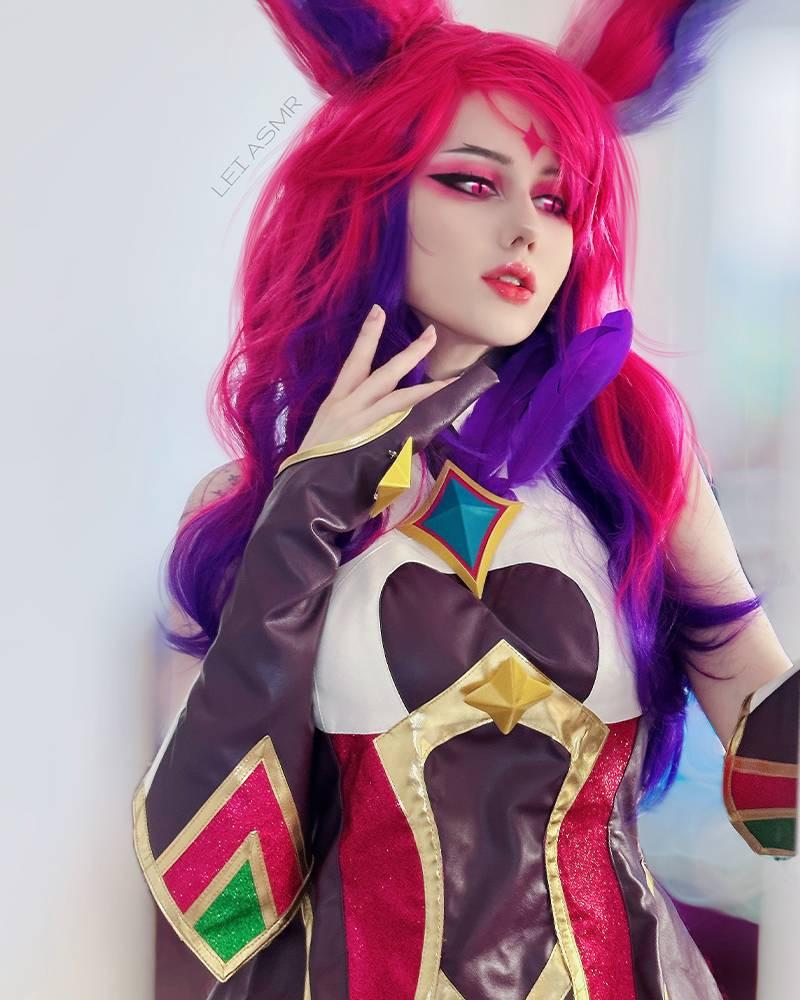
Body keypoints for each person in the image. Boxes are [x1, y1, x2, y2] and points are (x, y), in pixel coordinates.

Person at [132, 2, 798, 997]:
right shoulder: (244, 505)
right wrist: (303, 516)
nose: (524, 228)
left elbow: (778, 792)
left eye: (557, 198)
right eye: (472, 181)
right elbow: (223, 896)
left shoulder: (630, 465)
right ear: (370, 197)